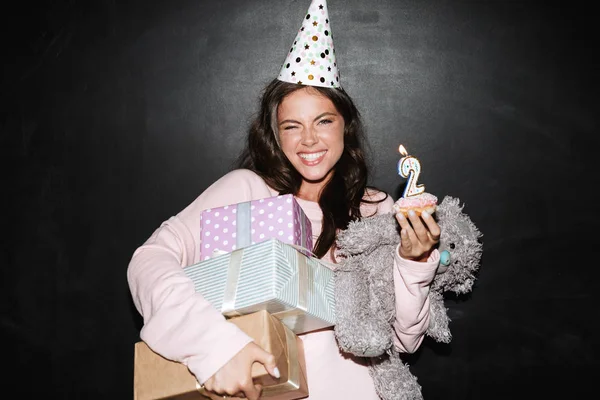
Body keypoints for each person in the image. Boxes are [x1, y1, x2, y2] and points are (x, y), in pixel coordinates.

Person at [127, 1, 441, 399]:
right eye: (292, 126)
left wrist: (412, 263)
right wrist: (214, 346)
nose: (309, 140)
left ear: (347, 124)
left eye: (323, 121)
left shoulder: (376, 210)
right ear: (276, 136)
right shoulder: (247, 191)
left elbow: (403, 341)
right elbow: (149, 260)